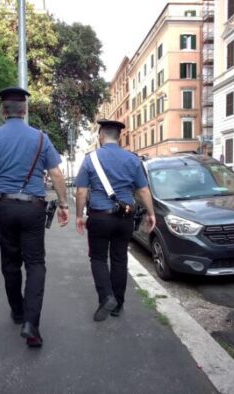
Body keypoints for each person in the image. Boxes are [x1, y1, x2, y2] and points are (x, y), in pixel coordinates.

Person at [0, 87, 69, 348]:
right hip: (34, 207)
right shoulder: (40, 138)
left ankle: (18, 312)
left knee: (10, 262)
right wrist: (64, 205)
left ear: (3, 111)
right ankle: (32, 324)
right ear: (24, 110)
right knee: (36, 263)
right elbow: (57, 175)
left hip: (3, 207)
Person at [74, 119, 156, 321]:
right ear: (118, 137)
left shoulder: (90, 159)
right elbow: (143, 190)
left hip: (100, 216)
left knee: (99, 258)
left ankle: (106, 297)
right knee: (120, 258)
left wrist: (79, 216)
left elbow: (82, 191)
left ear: (101, 135)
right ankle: (118, 304)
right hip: (125, 217)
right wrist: (151, 213)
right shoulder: (132, 159)